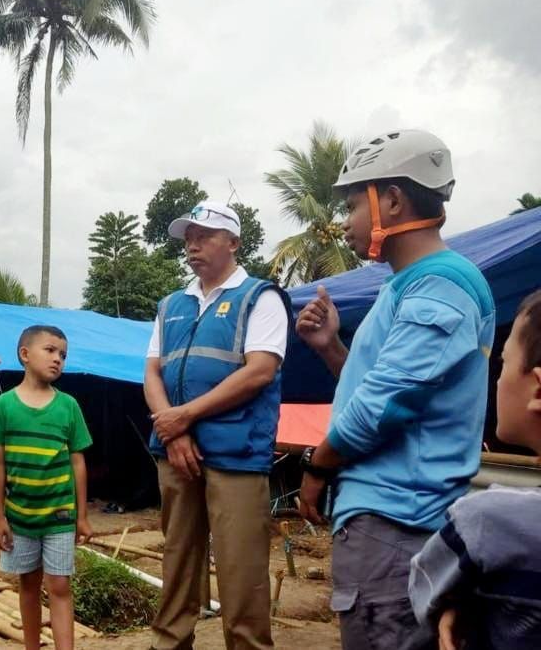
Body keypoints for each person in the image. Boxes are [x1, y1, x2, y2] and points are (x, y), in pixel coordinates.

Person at [295, 129, 496, 650]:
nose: (345, 222)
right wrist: (330, 348)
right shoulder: (404, 286)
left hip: (395, 521)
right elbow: (383, 390)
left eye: (351, 204)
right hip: (390, 518)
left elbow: (383, 407)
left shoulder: (440, 286)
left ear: (391, 199)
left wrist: (318, 467)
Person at [145, 201, 290, 650]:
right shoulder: (172, 304)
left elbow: (259, 371)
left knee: (241, 571)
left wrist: (184, 417)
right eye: (188, 237)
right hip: (175, 451)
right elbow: (152, 373)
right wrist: (176, 430)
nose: (192, 245)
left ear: (233, 242)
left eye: (204, 235)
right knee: (178, 561)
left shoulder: (260, 298)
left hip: (236, 456)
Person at [408, 290, 541, 650]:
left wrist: (458, 606)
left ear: (538, 390)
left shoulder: (487, 520)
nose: (497, 379)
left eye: (504, 363)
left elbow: (424, 591)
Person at [0, 325, 93, 650]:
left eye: (63, 355)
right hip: (19, 517)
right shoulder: (3, 407)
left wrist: (81, 516)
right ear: (25, 355)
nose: (58, 359)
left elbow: (78, 463)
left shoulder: (68, 406)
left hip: (59, 515)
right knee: (28, 585)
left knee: (59, 585)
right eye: (51, 350)